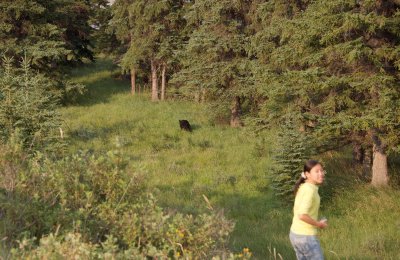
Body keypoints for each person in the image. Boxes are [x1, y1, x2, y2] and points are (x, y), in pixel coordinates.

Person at [289, 160, 327, 260]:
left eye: (322, 171)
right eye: (317, 171)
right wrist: (319, 224)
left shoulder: (304, 186)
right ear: (307, 174)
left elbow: (296, 210)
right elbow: (302, 215)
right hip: (306, 237)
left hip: (295, 234)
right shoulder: (309, 190)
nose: (321, 174)